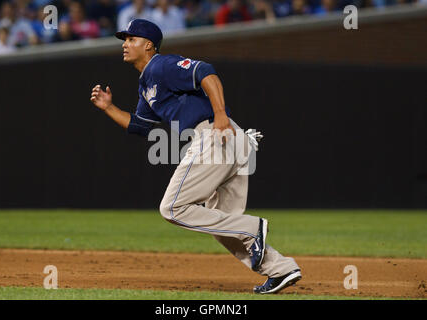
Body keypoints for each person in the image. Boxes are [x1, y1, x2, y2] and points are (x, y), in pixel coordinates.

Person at [90, 19, 301, 294]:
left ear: (149, 45)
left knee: (172, 208)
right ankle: (281, 268)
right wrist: (109, 108)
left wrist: (221, 115)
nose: (125, 44)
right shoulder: (147, 84)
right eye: (125, 39)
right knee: (221, 222)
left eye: (131, 39)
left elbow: (206, 72)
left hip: (216, 133)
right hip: (228, 139)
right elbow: (140, 126)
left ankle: (253, 227)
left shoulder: (161, 65)